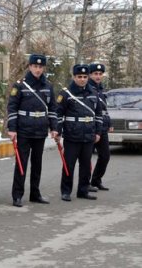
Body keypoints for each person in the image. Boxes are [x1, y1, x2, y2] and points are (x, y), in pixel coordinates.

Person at [7, 54, 58, 207]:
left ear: (43, 68)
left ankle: (35, 194)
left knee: (37, 164)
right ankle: (17, 195)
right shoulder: (20, 85)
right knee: (21, 163)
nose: (37, 69)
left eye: (40, 67)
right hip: (23, 129)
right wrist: (12, 129)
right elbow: (12, 108)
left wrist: (54, 127)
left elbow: (53, 109)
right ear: (29, 67)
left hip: (40, 129)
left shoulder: (48, 86)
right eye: (35, 66)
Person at [55, 64, 102, 202]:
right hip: (72, 135)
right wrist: (57, 131)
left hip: (89, 134)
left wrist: (98, 132)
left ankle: (83, 190)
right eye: (79, 77)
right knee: (68, 164)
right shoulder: (66, 93)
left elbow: (98, 114)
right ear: (74, 77)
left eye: (85, 77)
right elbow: (58, 114)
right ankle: (66, 191)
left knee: (86, 165)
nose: (82, 79)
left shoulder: (93, 93)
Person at [88, 63, 112, 191]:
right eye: (95, 74)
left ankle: (96, 180)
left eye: (100, 74)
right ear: (90, 75)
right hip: (90, 126)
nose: (98, 76)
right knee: (86, 157)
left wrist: (109, 123)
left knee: (105, 155)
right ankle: (85, 183)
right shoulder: (87, 88)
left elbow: (104, 109)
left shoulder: (101, 89)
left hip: (102, 127)